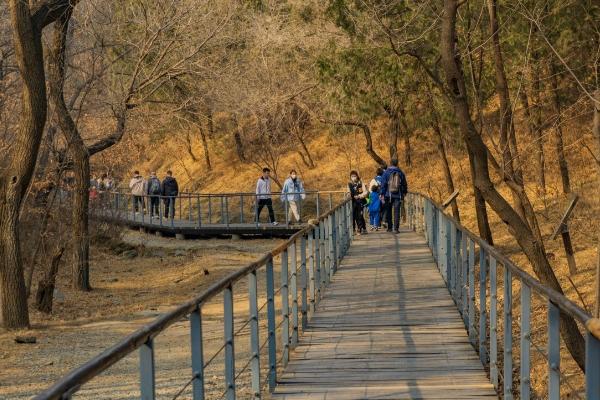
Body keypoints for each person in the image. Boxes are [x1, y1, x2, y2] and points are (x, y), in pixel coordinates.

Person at [380, 158, 408, 233]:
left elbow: (383, 184)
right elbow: (404, 184)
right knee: (396, 212)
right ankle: (396, 228)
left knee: (388, 211)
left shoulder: (386, 173)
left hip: (387, 195)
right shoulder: (400, 172)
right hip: (397, 195)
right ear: (397, 163)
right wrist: (404, 192)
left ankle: (389, 228)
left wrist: (382, 193)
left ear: (390, 163)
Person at [348, 170, 368, 235]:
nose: (353, 177)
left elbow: (365, 192)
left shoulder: (361, 183)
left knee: (360, 216)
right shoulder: (349, 184)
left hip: (360, 202)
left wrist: (360, 196)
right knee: (353, 216)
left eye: (354, 176)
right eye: (352, 176)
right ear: (350, 177)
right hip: (353, 202)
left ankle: (360, 229)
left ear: (357, 176)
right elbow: (348, 192)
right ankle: (353, 230)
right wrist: (349, 195)